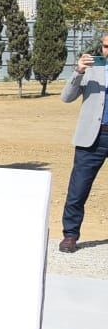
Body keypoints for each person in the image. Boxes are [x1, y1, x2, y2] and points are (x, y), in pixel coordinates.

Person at [59, 36, 108, 253]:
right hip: (92, 138)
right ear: (102, 47)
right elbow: (66, 97)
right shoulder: (90, 69)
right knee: (78, 189)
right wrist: (78, 70)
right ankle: (70, 235)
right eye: (107, 46)